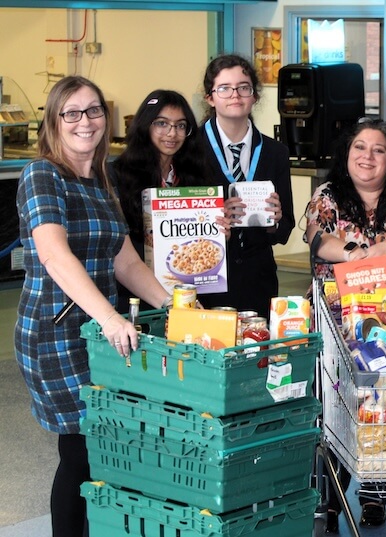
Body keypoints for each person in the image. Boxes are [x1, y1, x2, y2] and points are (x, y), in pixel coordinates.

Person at [14, 76, 173, 537]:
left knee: (101, 446)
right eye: (72, 113)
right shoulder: (42, 175)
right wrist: (108, 316)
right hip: (56, 332)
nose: (85, 121)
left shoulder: (102, 180)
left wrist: (178, 304)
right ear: (54, 122)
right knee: (81, 449)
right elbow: (53, 254)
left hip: (101, 332)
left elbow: (126, 261)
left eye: (94, 110)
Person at [304, 118, 386, 532]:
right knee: (332, 407)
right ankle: (329, 500)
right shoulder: (328, 194)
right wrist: (354, 254)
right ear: (347, 153)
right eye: (360, 147)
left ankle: (375, 493)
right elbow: (316, 237)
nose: (367, 156)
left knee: (383, 401)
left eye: (379, 149)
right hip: (335, 317)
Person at [198, 54, 294, 317]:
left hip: (257, 281)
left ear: (255, 96)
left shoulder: (275, 152)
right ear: (210, 97)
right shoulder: (191, 149)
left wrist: (274, 222)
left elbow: (285, 229)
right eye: (224, 88)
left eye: (243, 87)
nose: (235, 95)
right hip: (206, 281)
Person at [112, 89, 225, 312]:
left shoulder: (199, 178)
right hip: (136, 297)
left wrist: (221, 230)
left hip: (190, 294)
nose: (172, 133)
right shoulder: (117, 175)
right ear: (145, 126)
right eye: (162, 124)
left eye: (181, 125)